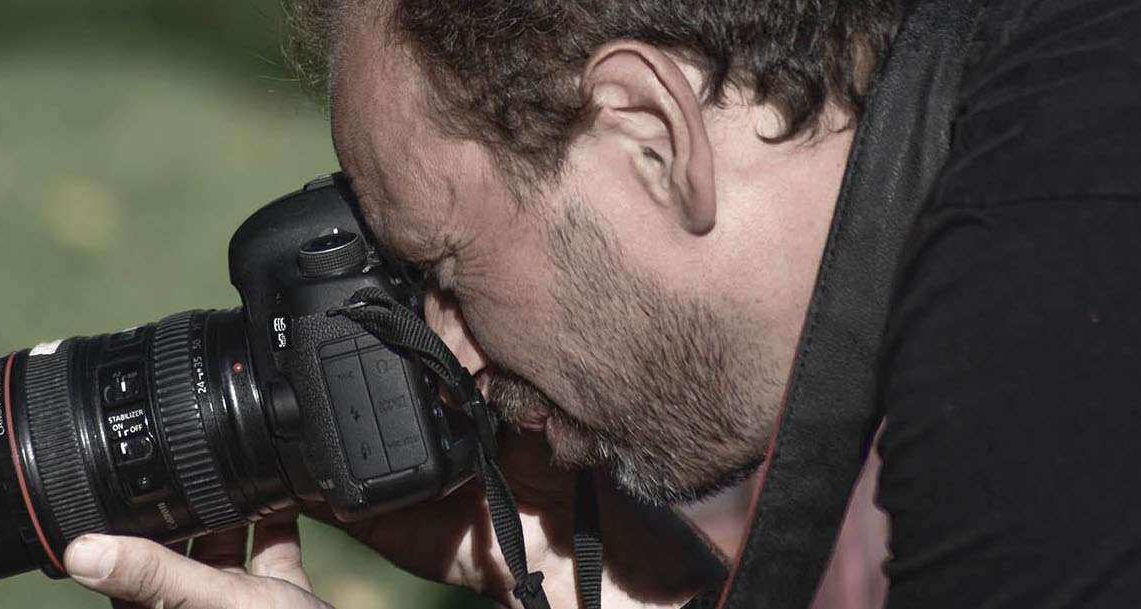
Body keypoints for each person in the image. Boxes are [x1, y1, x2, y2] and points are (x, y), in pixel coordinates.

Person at [58, 0, 1141, 607]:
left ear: (649, 135)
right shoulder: (1046, 100)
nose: (445, 347)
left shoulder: (1038, 342)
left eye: (442, 267)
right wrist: (623, 595)